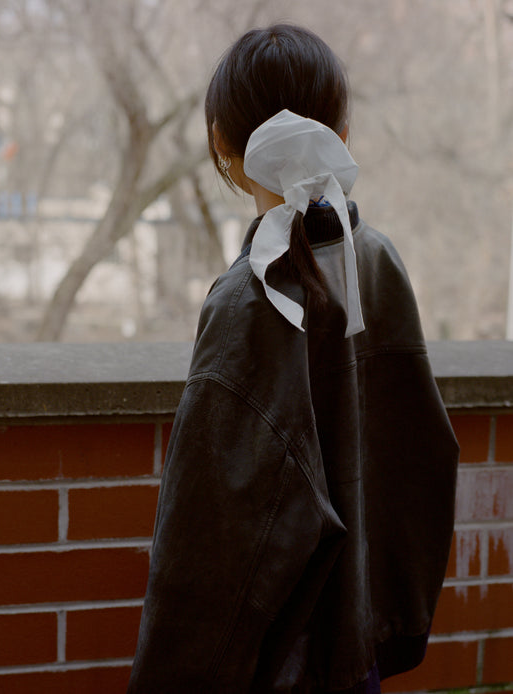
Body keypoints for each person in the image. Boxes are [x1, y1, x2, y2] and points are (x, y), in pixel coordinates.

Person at [127, 24, 459, 694]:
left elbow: (210, 537)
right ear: (340, 130)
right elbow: (424, 457)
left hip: (275, 665)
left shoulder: (249, 301)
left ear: (222, 144)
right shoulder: (377, 262)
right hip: (355, 647)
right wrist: (389, 617)